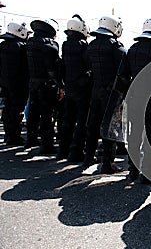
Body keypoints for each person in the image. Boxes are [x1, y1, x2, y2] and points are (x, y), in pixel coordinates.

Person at [111, 17, 151, 183]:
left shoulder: (133, 49)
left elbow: (122, 77)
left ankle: (132, 169)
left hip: (134, 98)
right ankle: (147, 172)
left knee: (134, 134)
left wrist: (125, 97)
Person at [84, 16, 125, 173]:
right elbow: (122, 72)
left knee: (92, 124)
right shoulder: (115, 47)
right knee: (110, 127)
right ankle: (108, 163)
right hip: (111, 93)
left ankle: (88, 157)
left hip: (95, 90)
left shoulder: (92, 45)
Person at [56, 15, 92, 162]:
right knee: (82, 121)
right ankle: (76, 151)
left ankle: (62, 150)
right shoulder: (83, 45)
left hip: (69, 86)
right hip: (81, 88)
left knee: (67, 120)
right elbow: (88, 66)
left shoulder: (65, 45)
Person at [26, 18, 63, 153]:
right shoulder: (50, 46)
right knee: (47, 115)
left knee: (33, 112)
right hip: (46, 84)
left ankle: (31, 139)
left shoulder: (29, 43)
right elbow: (53, 69)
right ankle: (46, 145)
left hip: (33, 82)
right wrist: (60, 85)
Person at [0, 22, 31, 145]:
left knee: (7, 110)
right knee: (16, 111)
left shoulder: (2, 46)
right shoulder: (21, 47)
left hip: (5, 84)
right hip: (19, 85)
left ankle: (9, 136)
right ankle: (14, 137)